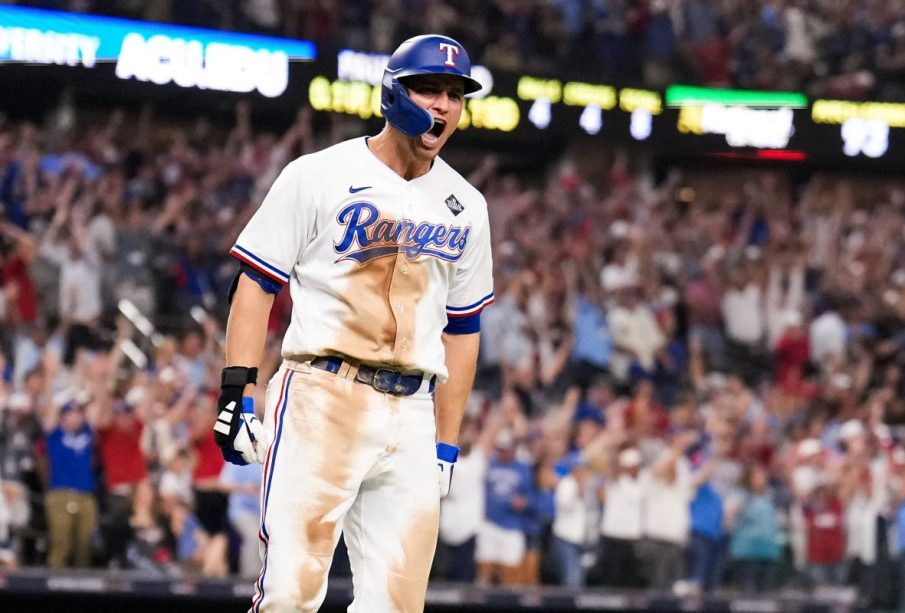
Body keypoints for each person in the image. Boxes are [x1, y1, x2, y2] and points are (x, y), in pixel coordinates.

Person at [212, 33, 493, 612]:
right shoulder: (318, 173)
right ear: (393, 92)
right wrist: (237, 392)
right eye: (429, 88)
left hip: (413, 409)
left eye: (455, 94)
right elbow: (257, 282)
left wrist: (445, 443)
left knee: (397, 605)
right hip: (322, 394)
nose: (443, 105)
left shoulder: (467, 204)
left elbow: (463, 331)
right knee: (290, 592)